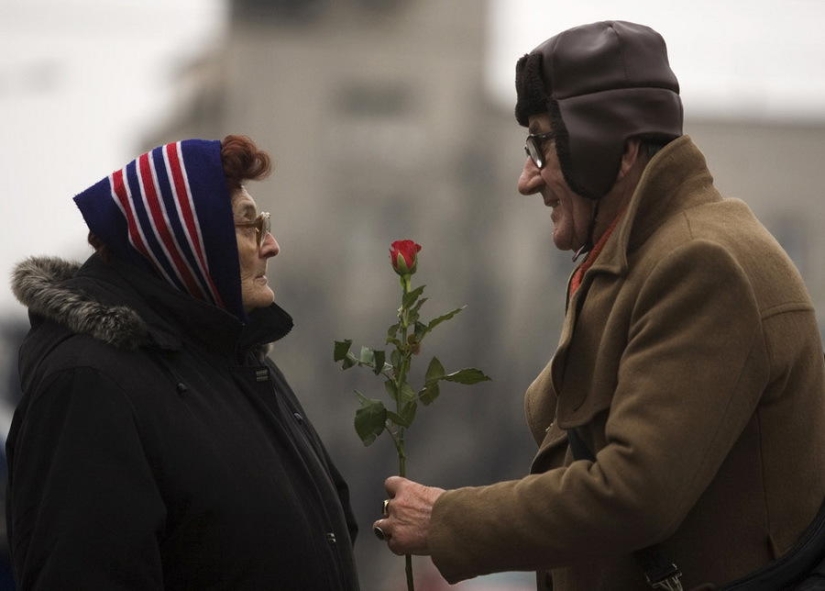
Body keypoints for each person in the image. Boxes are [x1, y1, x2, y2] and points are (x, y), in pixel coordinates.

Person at [371, 20, 825, 590]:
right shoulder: (645, 253)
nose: (526, 179)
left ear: (619, 150)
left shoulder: (701, 264)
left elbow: (636, 492)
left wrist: (449, 521)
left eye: (542, 146)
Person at [7, 135, 360, 590]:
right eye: (249, 225)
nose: (271, 245)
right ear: (183, 238)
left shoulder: (236, 360)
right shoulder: (89, 384)